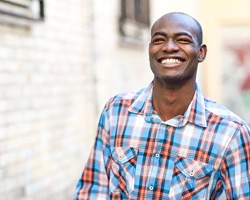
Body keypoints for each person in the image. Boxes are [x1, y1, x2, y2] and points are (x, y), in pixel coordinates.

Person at [74, 12, 250, 199]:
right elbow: (94, 190)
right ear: (149, 50)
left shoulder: (230, 131)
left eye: (182, 39)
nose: (169, 47)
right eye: (159, 40)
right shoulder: (117, 111)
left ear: (201, 52)